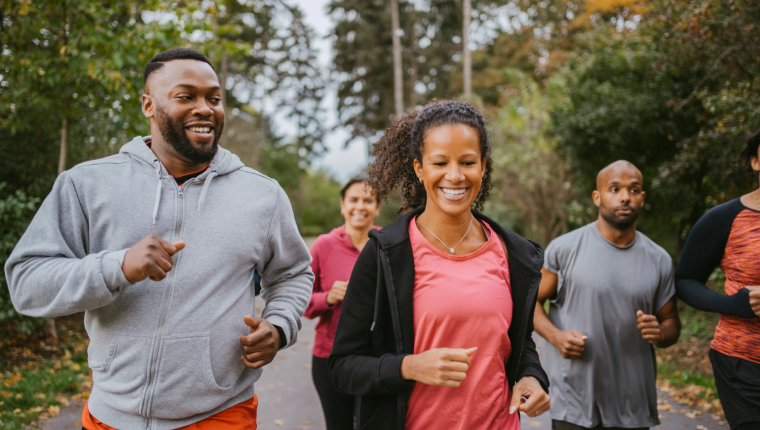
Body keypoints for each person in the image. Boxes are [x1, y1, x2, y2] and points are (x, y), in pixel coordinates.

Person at [5, 48, 313, 429]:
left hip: (221, 414)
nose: (206, 108)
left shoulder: (262, 195)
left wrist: (279, 325)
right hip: (111, 415)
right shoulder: (86, 185)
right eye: (186, 96)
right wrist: (116, 267)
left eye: (214, 98)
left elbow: (294, 273)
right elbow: (26, 283)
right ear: (148, 105)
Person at [328, 100, 551, 430]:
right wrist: (409, 367)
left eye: (467, 162)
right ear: (419, 168)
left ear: (483, 166)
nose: (455, 175)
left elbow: (516, 343)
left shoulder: (513, 254)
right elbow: (343, 367)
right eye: (440, 162)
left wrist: (532, 376)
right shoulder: (386, 254)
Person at [534, 160, 681, 430]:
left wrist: (660, 333)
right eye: (615, 189)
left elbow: (671, 322)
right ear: (597, 197)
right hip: (574, 401)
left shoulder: (659, 259)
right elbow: (531, 305)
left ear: (642, 198)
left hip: (632, 403)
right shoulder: (564, 249)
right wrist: (557, 337)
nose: (625, 197)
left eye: (634, 190)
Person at [675, 128, 760, 430]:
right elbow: (685, 280)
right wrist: (734, 304)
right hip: (742, 361)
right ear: (755, 161)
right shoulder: (724, 218)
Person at [304, 176, 382, 430]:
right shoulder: (324, 245)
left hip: (378, 357)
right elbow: (301, 300)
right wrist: (327, 297)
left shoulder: (388, 244)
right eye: (354, 200)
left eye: (368, 200)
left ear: (378, 208)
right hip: (331, 357)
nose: (360, 206)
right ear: (342, 205)